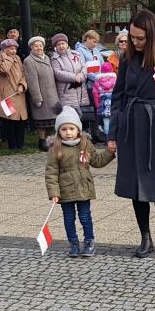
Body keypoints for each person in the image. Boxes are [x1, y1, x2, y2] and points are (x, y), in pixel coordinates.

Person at [107, 9, 155, 257]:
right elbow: (118, 97)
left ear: (152, 35)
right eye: (132, 38)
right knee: (135, 186)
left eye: (140, 38)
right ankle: (145, 236)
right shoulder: (127, 59)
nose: (135, 42)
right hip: (131, 127)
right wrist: (113, 134)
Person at [45, 105, 115, 257]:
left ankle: (89, 242)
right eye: (64, 129)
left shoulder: (85, 144)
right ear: (58, 131)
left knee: (85, 217)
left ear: (78, 129)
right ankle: (74, 243)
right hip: (65, 191)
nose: (68, 132)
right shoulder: (55, 148)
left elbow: (96, 161)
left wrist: (109, 153)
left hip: (83, 189)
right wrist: (54, 193)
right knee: (69, 219)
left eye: (71, 128)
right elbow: (51, 173)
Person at [50, 33, 96, 139]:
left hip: (81, 90)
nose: (61, 46)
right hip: (66, 92)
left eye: (63, 43)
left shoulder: (76, 54)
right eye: (59, 44)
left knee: (83, 115)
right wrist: (74, 77)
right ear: (55, 47)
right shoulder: (55, 59)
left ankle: (84, 137)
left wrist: (81, 75)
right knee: (70, 115)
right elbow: (57, 73)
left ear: (67, 44)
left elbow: (84, 67)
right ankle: (70, 138)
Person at [24, 36, 60, 151]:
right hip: (41, 95)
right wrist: (37, 98)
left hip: (52, 95)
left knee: (51, 121)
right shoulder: (29, 61)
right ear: (31, 47)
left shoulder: (47, 58)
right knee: (42, 121)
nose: (39, 48)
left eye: (40, 45)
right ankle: (41, 141)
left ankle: (50, 141)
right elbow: (32, 81)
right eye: (36, 46)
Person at [0, 38, 28, 150]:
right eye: (11, 49)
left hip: (19, 93)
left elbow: (23, 74)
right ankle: (12, 145)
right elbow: (4, 70)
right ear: (4, 49)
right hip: (7, 95)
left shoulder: (18, 58)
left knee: (20, 120)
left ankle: (20, 144)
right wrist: (7, 58)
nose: (14, 51)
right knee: (9, 120)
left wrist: (22, 85)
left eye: (15, 49)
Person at [92, 61, 116, 136]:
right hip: (114, 104)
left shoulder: (97, 82)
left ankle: (107, 139)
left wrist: (97, 104)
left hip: (103, 105)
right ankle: (114, 138)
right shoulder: (115, 80)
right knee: (114, 121)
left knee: (106, 122)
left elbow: (95, 94)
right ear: (111, 70)